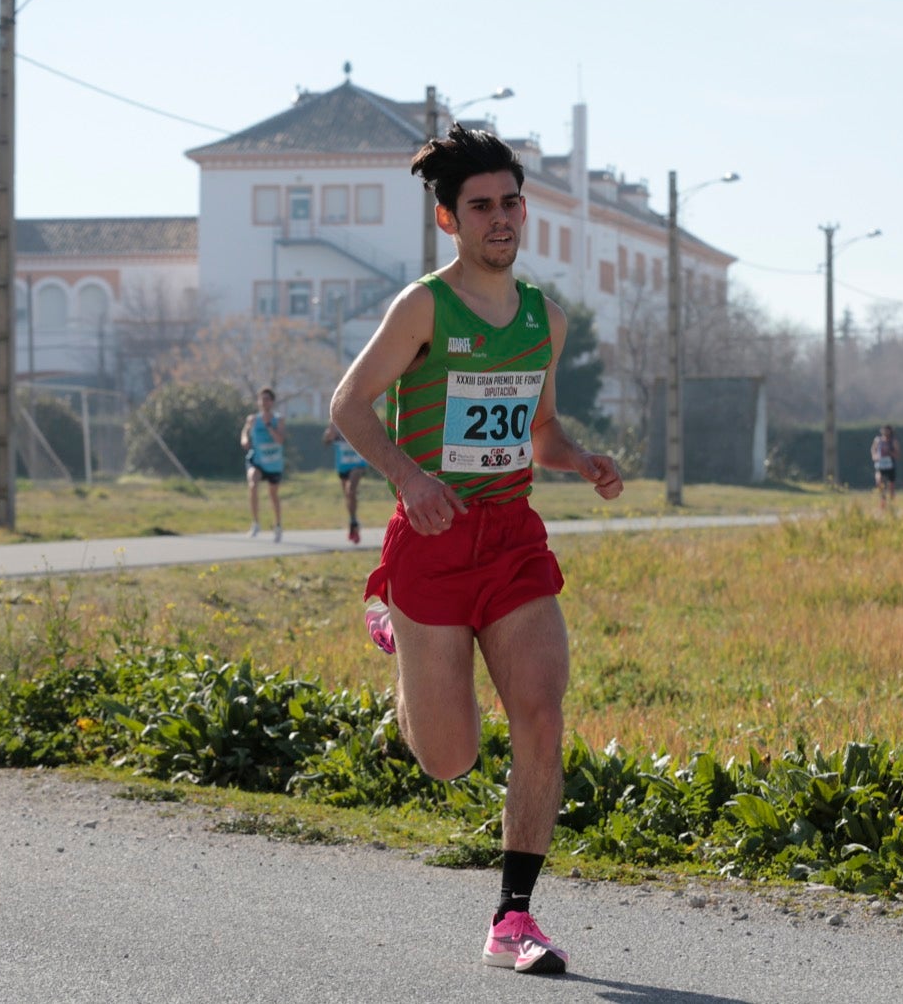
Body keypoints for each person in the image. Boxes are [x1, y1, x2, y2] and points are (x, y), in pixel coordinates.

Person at [329, 124, 623, 976]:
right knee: (449, 760)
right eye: (482, 206)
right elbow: (349, 407)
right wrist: (408, 479)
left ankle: (514, 917)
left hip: (511, 538)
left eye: (511, 202)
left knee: (541, 710)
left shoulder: (545, 320)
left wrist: (580, 458)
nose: (502, 218)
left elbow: (538, 432)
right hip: (431, 538)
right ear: (449, 220)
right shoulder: (424, 306)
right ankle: (401, 641)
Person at [241, 386, 285, 542]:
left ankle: (278, 525)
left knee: (273, 494)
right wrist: (245, 440)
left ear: (272, 402)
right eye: (261, 399)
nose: (264, 402)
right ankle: (255, 523)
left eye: (267, 399)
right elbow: (245, 432)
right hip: (257, 460)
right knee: (252, 483)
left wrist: (268, 426)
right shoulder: (252, 419)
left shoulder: (278, 419)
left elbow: (280, 440)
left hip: (273, 463)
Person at [324, 420, 368, 543]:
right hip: (343, 465)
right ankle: (353, 522)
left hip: (357, 463)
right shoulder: (334, 421)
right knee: (348, 497)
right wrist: (329, 434)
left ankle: (353, 523)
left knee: (351, 490)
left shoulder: (355, 416)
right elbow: (326, 441)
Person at [870, 424, 900, 509]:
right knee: (879, 482)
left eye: (887, 430)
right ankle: (883, 502)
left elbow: (898, 455)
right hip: (880, 465)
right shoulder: (878, 440)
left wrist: (889, 452)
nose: (885, 432)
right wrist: (874, 456)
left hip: (890, 466)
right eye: (884, 430)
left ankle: (892, 505)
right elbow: (873, 449)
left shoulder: (893, 441)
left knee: (891, 487)